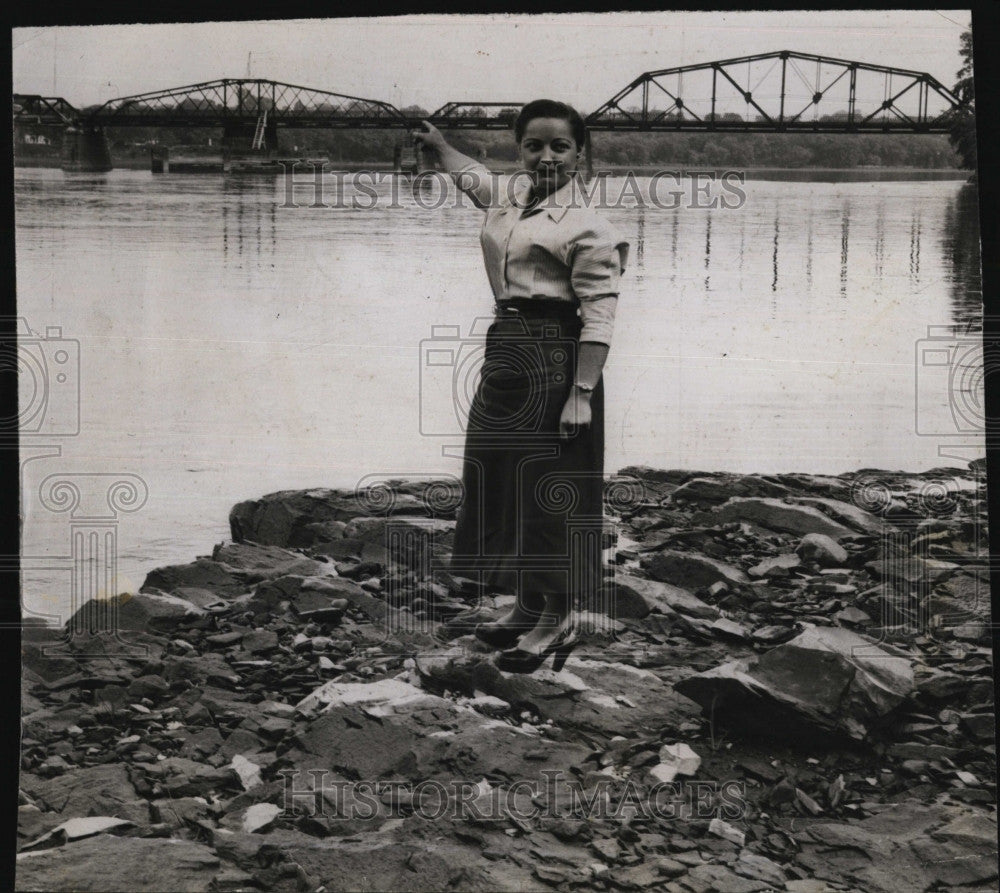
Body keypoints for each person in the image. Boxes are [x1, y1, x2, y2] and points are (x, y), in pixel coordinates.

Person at [413, 100, 628, 673]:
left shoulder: (590, 226)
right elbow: (472, 178)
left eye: (560, 146)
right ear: (520, 149)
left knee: (548, 489)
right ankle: (526, 606)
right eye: (534, 145)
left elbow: (601, 317)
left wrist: (581, 393)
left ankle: (555, 619)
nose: (547, 156)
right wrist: (439, 146)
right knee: (501, 476)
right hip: (506, 348)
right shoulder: (510, 198)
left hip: (558, 358)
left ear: (579, 154)